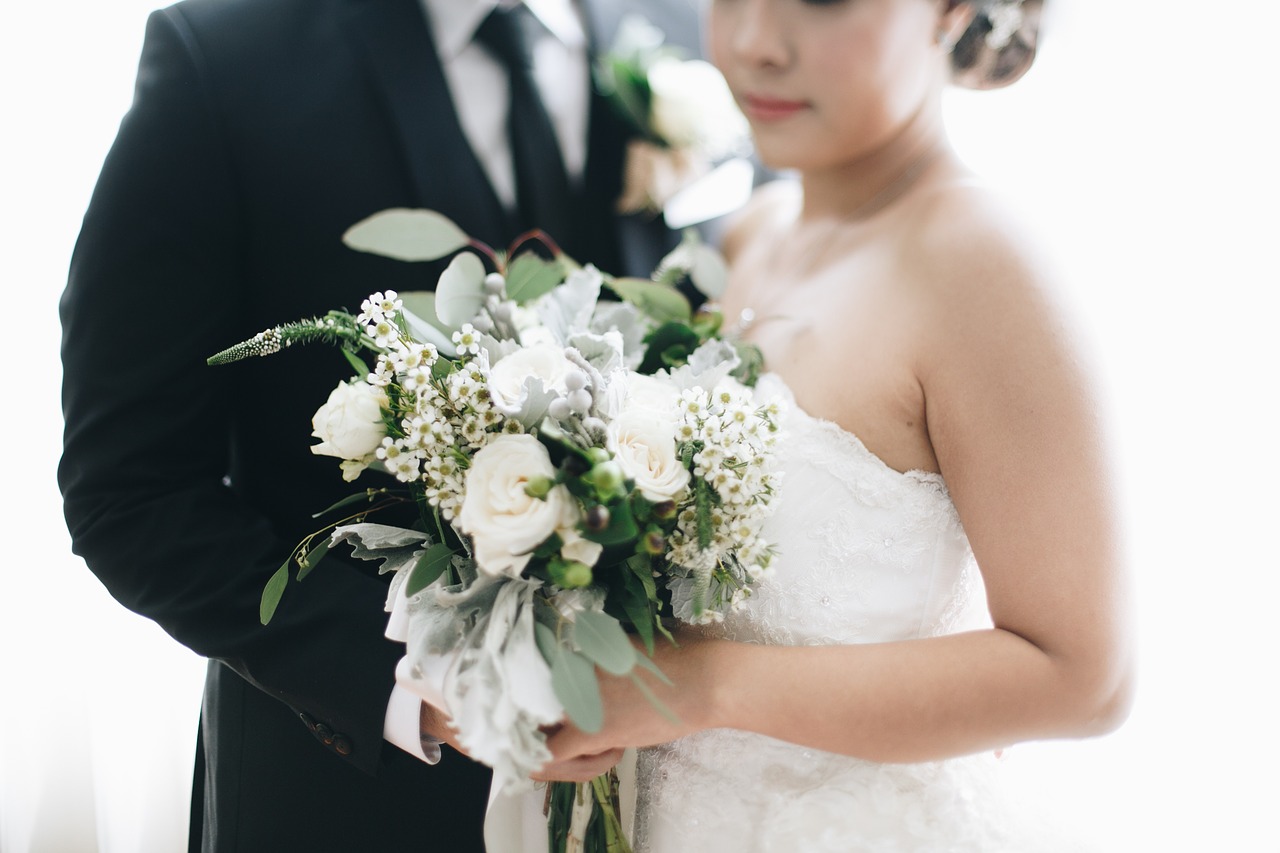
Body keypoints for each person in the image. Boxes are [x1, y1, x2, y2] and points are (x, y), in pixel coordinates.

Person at [58, 0, 705, 850]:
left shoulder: (684, 39)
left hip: (663, 796)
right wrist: (423, 681)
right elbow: (129, 490)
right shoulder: (223, 59)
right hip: (346, 801)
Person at [537, 0, 1136, 849]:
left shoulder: (983, 264)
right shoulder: (755, 236)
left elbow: (1084, 677)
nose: (752, 44)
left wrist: (700, 686)